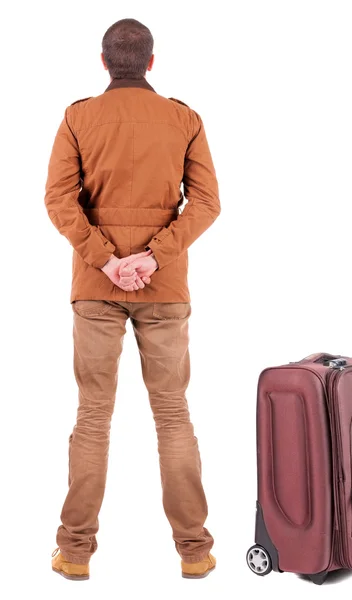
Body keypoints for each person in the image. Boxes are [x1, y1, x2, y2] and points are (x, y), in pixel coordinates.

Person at [45, 18, 220, 581]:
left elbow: (58, 201)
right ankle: (194, 553)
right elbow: (206, 204)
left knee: (93, 416)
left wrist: (105, 259)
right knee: (173, 414)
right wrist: (154, 256)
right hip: (164, 286)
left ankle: (74, 554)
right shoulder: (184, 119)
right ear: (150, 62)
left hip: (96, 285)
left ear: (103, 63)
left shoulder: (78, 117)